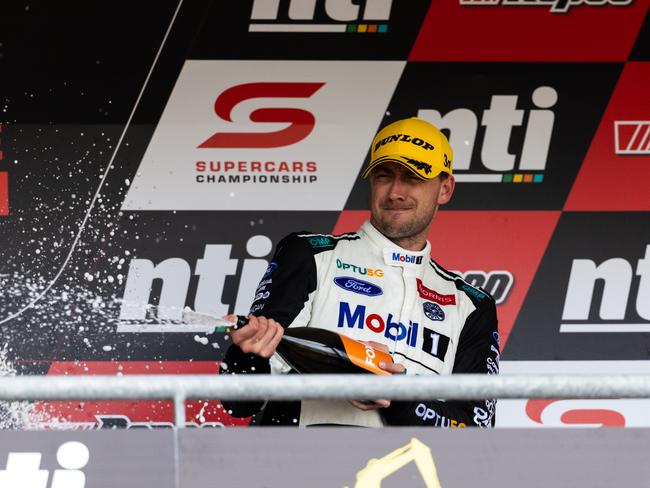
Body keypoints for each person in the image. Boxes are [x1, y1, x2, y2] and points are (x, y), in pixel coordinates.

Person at [220, 117, 499, 427]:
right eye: (384, 176)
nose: (395, 192)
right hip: (298, 467)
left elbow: (474, 429)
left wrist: (399, 398)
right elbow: (237, 400)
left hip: (401, 473)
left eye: (412, 177)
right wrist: (249, 355)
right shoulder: (312, 255)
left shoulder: (471, 305)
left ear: (445, 189)